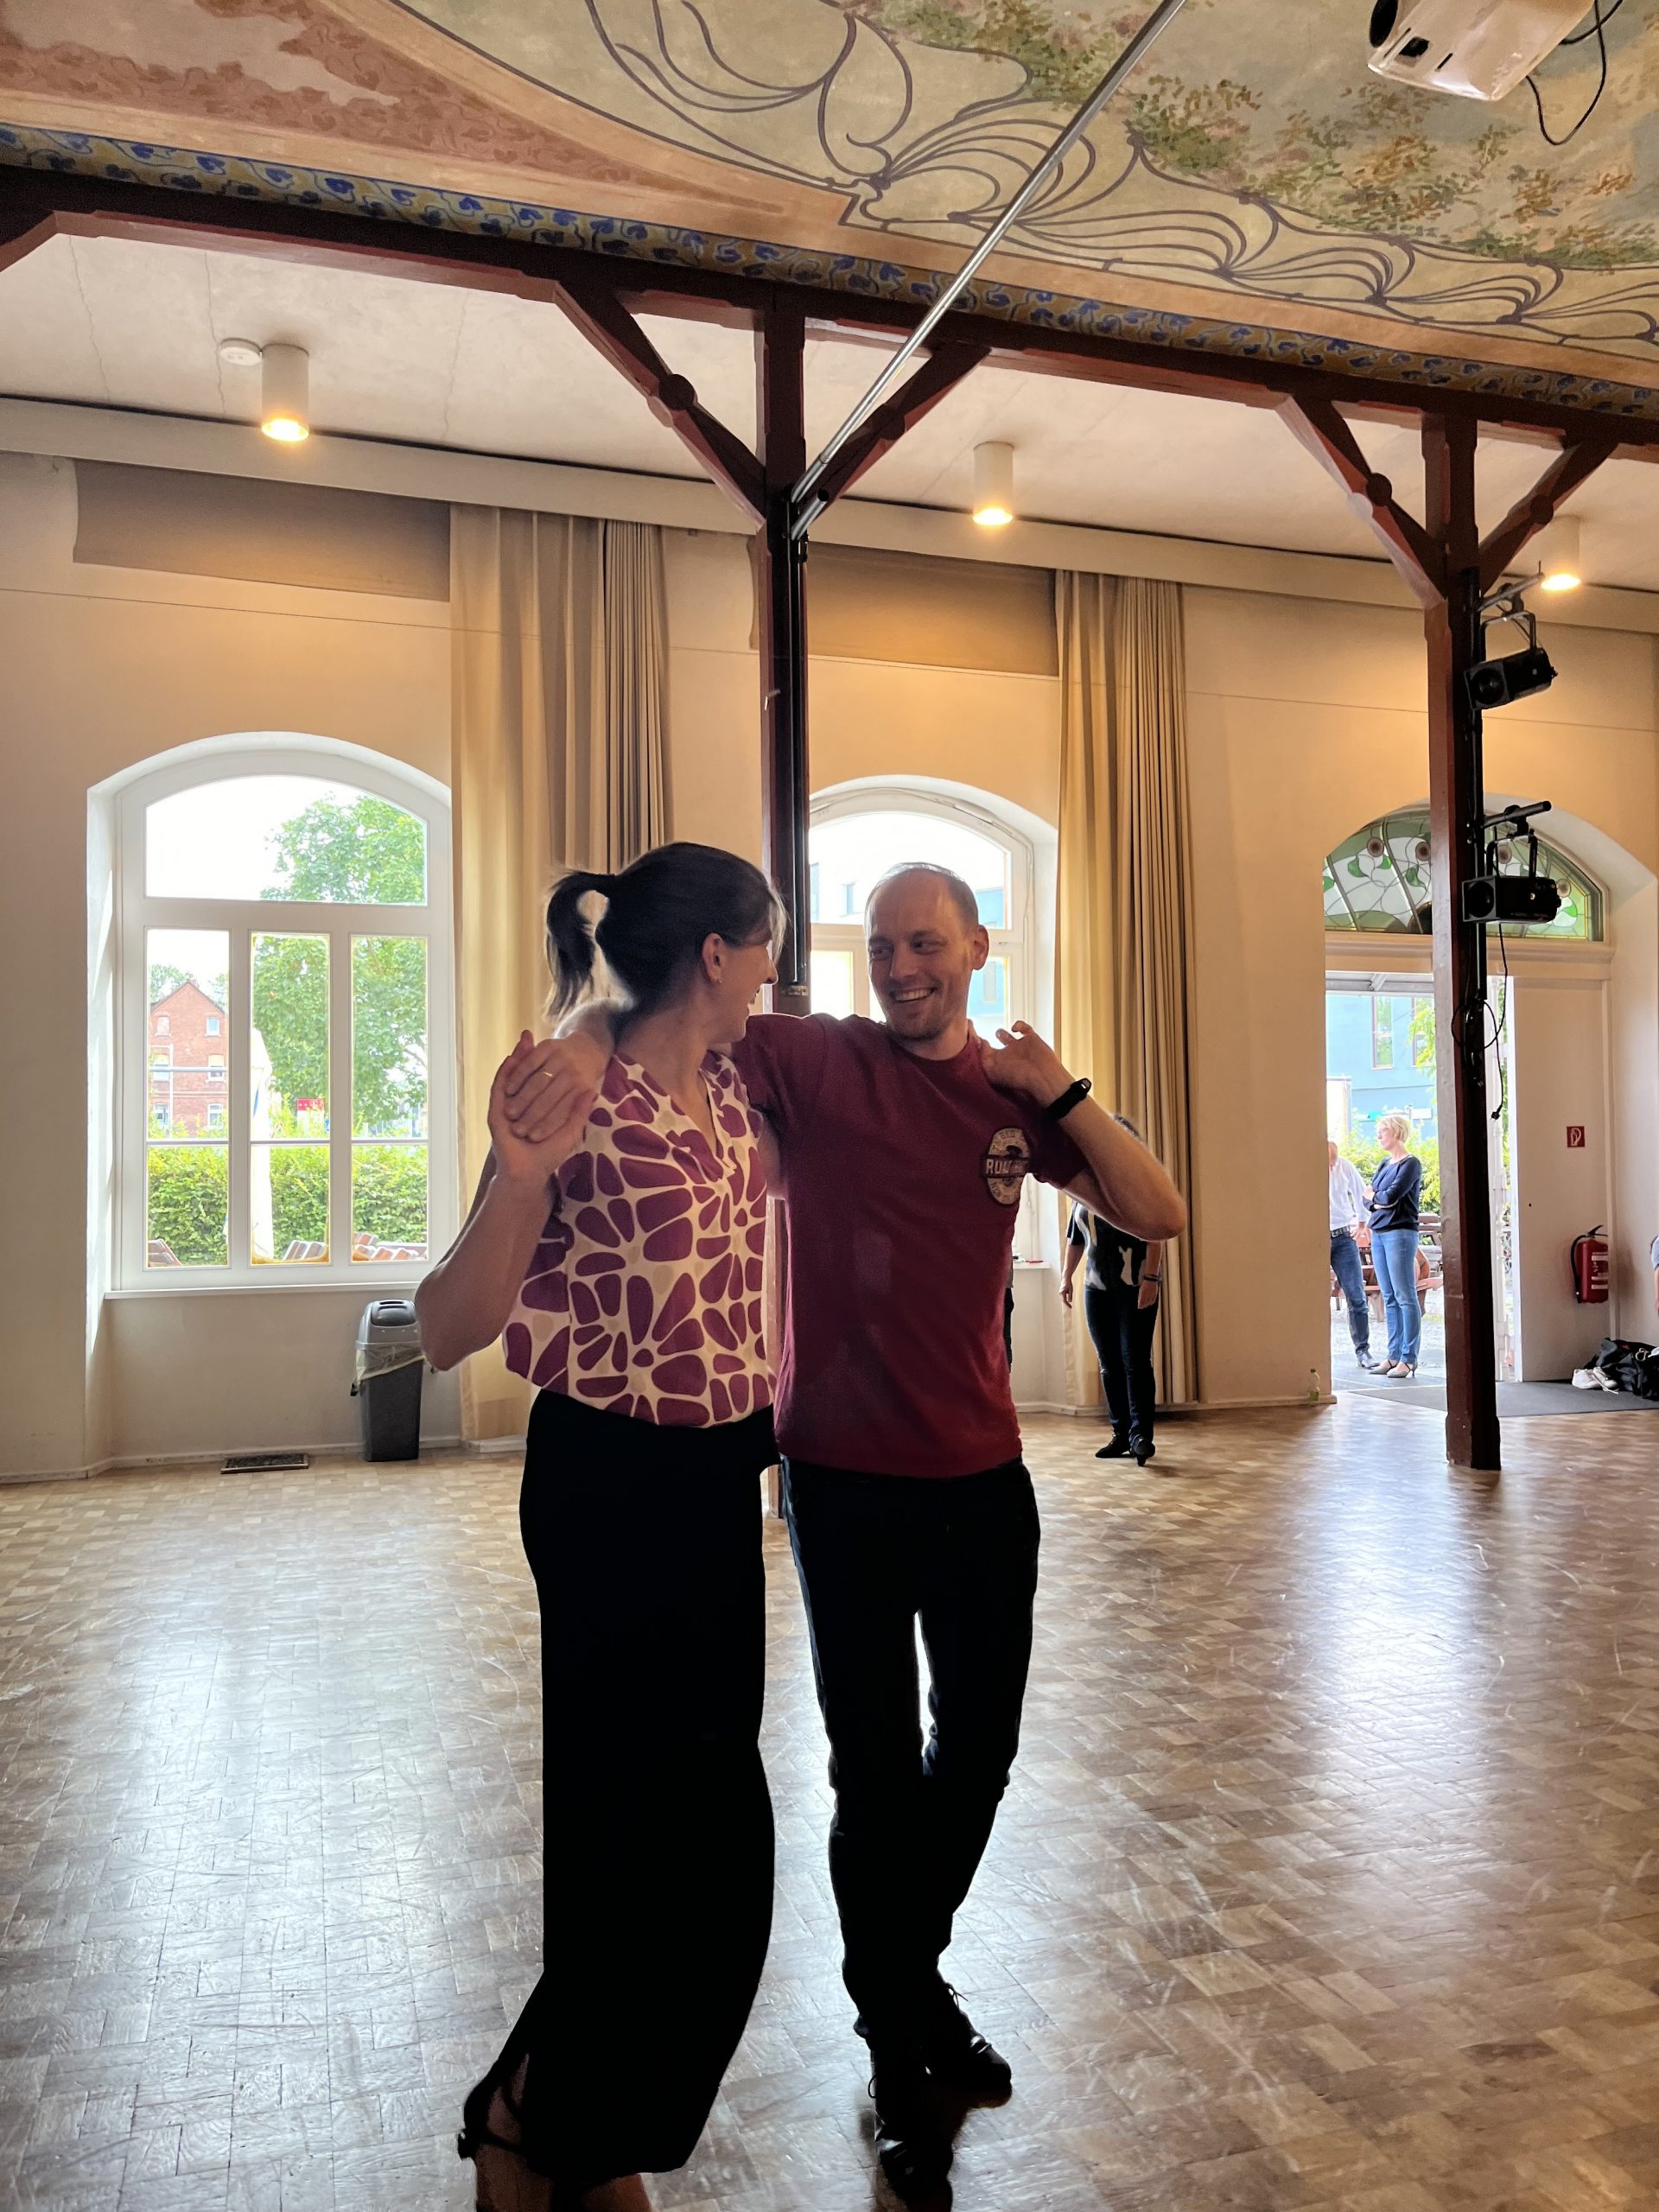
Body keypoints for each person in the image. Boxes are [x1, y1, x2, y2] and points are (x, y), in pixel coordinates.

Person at [508, 861, 1185, 2202]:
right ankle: (897, 2037)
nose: (901, 967)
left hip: (982, 1476)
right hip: (839, 1482)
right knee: (872, 1773)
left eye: (925, 943)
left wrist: (1061, 1089)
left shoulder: (1013, 1093)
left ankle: (901, 1980)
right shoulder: (817, 1059)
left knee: (978, 1753)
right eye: (881, 946)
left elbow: (1158, 1210)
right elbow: (660, 1006)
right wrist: (578, 1042)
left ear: (977, 947)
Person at [416, 842, 785, 2212]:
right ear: (717, 955)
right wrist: (522, 1171)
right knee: (622, 1836)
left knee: (708, 1851)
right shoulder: (572, 1093)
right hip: (607, 1487)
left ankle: (571, 2120)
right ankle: (538, 2132)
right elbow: (445, 1327)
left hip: (717, 1485)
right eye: (766, 947)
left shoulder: (734, 1081)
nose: (774, 974)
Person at [1061, 1158, 1164, 1464]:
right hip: (1096, 1289)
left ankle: (1140, 1436)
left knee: (1135, 1361)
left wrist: (1151, 1279)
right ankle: (1121, 1433)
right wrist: (1066, 1277)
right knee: (1109, 1363)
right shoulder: (1083, 1193)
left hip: (1135, 1285)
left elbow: (1155, 1236)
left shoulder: (1137, 1192)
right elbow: (1075, 1239)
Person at [1367, 1112, 1423, 1378]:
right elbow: (1369, 1197)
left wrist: (1377, 1199)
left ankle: (1409, 1358)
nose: (1379, 1136)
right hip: (1378, 1232)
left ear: (1397, 1133)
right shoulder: (1383, 1164)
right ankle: (1393, 1355)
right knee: (1388, 1296)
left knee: (1405, 1295)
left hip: (1400, 1233)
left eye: (1383, 1131)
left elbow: (1390, 1197)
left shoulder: (1410, 1164)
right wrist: (1377, 1199)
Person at [1328, 1139, 1380, 1373]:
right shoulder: (1305, 1168)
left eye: (1334, 1161)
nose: (1332, 1166)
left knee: (1357, 1295)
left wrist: (1361, 1222)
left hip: (1342, 1236)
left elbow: (1361, 1192)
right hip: (1314, 1236)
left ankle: (1363, 1351)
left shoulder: (1345, 1166)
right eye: (1328, 1162)